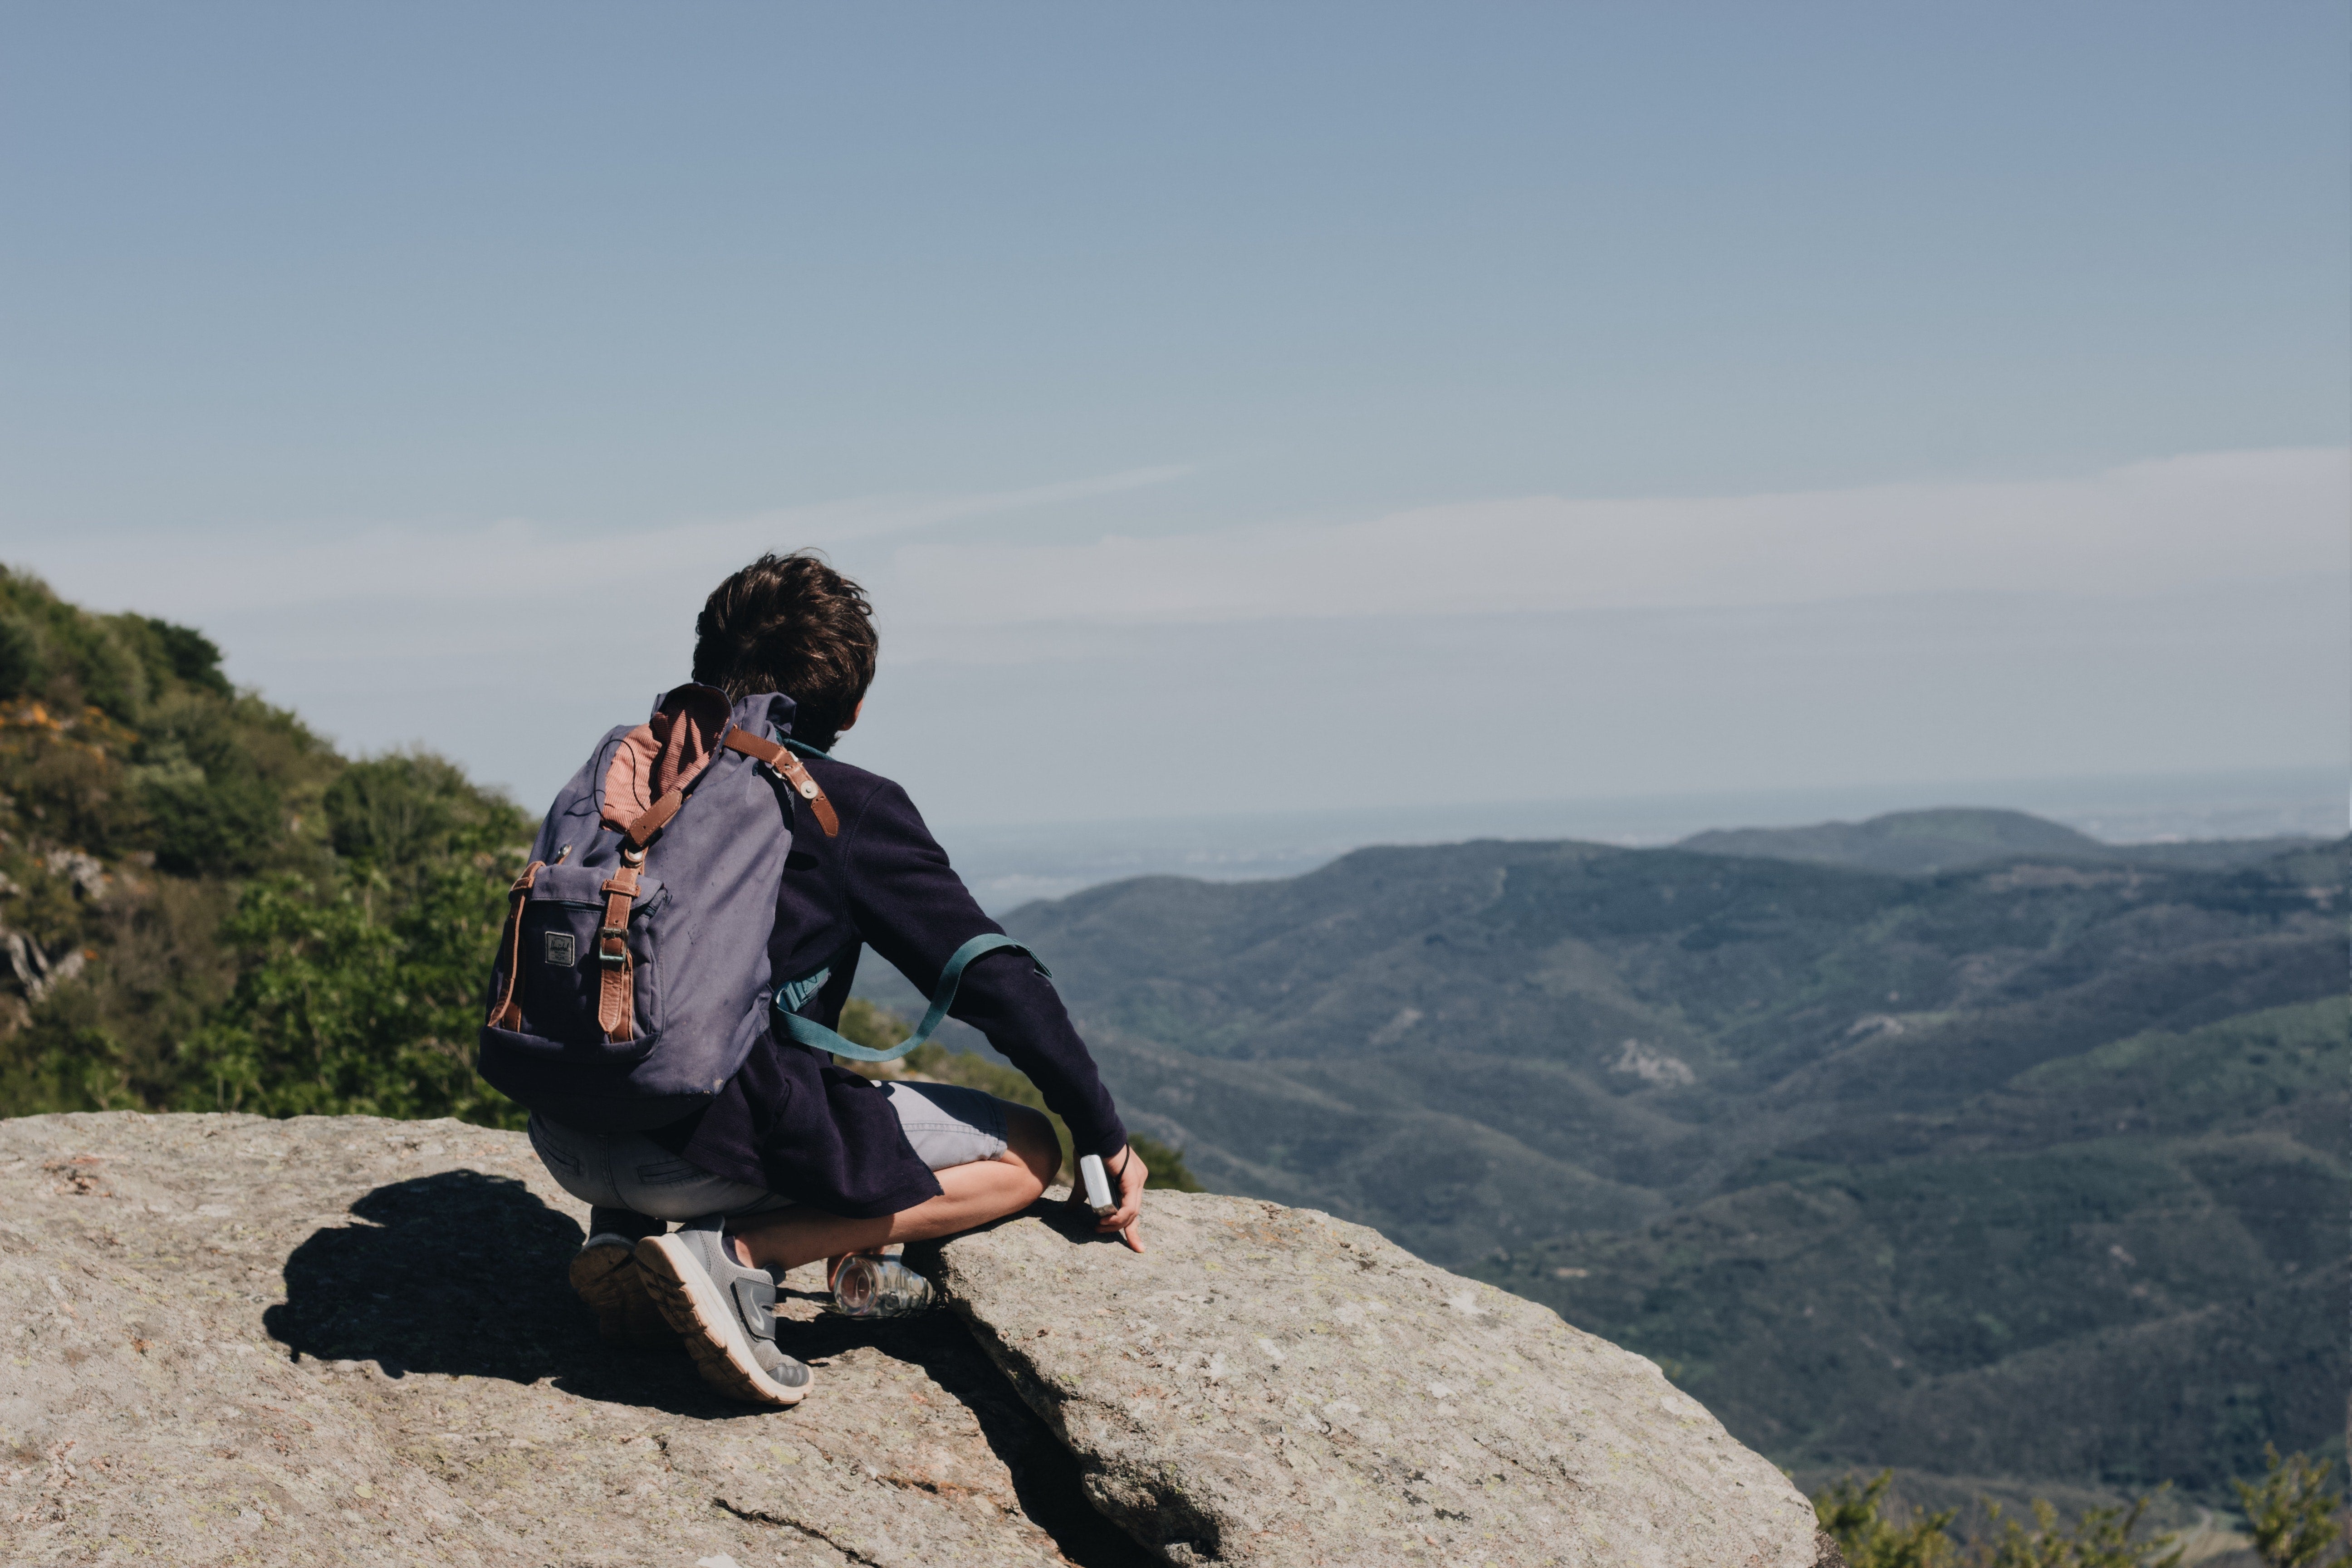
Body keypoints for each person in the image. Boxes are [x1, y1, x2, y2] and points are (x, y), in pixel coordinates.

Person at [525, 551, 1146, 1407]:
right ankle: (738, 1256)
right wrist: (1102, 1134)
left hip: (564, 1135)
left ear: (706, 670)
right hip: (701, 1162)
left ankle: (627, 1240)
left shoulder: (630, 774)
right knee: (1029, 1152)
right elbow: (995, 983)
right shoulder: (844, 803)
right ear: (851, 708)